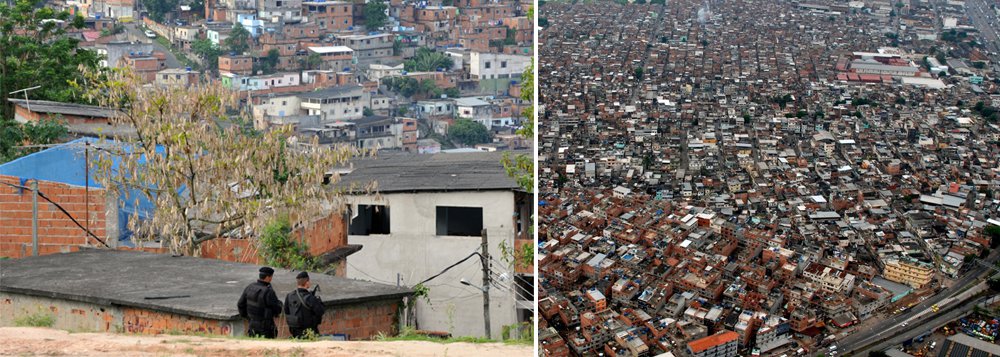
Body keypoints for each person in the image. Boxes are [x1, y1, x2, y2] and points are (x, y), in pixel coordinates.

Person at [237, 266, 283, 338]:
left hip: (252, 325)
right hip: (266, 327)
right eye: (271, 277)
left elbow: (240, 304)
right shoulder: (268, 292)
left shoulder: (250, 287)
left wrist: (248, 318)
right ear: (268, 277)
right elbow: (277, 309)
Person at [284, 271, 325, 338]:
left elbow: (286, 311)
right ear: (307, 282)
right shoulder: (310, 298)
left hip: (295, 332)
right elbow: (320, 311)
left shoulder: (289, 296)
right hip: (309, 331)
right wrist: (318, 300)